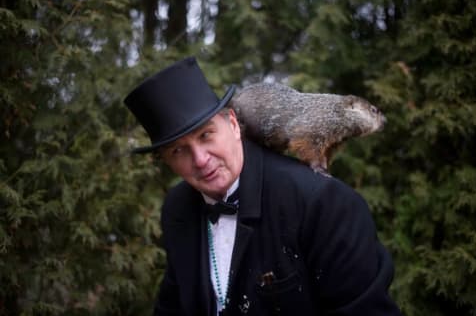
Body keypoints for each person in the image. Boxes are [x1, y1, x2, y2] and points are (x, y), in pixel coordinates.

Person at [123, 57, 402, 316]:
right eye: (178, 151)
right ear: (166, 161)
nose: (201, 159)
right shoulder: (177, 207)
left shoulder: (324, 202)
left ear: (233, 124)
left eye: (206, 135)